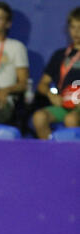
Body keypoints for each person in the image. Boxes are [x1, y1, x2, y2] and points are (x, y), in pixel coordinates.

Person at [32, 8, 80, 139]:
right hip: (63, 104)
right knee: (39, 117)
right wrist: (52, 96)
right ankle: (51, 154)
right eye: (73, 27)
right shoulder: (59, 55)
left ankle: (75, 157)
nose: (76, 32)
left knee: (71, 120)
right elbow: (42, 84)